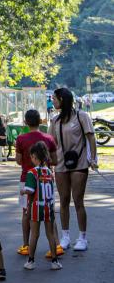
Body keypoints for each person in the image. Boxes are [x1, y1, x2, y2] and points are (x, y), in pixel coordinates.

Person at [50, 87, 97, 252]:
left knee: (78, 201)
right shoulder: (55, 121)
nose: (52, 101)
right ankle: (65, 236)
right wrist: (48, 162)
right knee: (63, 200)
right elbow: (51, 143)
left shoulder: (81, 116)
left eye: (54, 98)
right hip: (61, 164)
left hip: (80, 163)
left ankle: (82, 237)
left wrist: (93, 159)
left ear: (62, 99)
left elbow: (91, 137)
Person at [14, 109, 60, 258]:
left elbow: (18, 160)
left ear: (26, 122)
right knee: (48, 210)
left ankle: (26, 245)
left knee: (26, 212)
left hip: (26, 177)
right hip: (46, 179)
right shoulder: (49, 138)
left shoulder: (21, 139)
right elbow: (55, 160)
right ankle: (56, 245)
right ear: (40, 121)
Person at [21, 141, 61, 270]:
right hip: (48, 207)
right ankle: (55, 261)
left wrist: (23, 191)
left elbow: (31, 190)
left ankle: (31, 261)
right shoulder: (49, 172)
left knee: (35, 234)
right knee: (50, 234)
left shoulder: (32, 172)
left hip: (36, 207)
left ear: (34, 157)